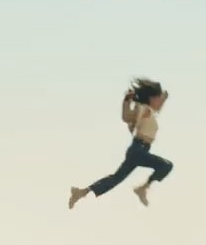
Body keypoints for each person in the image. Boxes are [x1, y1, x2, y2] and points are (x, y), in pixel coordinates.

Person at [70, 78, 173, 209]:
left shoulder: (151, 111)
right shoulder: (145, 110)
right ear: (151, 98)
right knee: (166, 165)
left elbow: (158, 106)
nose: (160, 102)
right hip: (139, 150)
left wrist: (164, 97)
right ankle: (143, 188)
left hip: (139, 150)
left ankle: (81, 192)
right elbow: (127, 117)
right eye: (158, 98)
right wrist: (126, 101)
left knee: (116, 178)